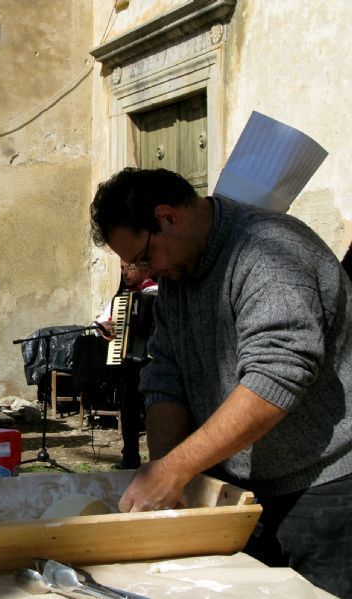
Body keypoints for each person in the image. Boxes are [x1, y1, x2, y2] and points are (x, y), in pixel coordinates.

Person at [89, 167, 352, 597]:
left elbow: (277, 376)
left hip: (323, 490)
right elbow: (166, 374)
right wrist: (164, 469)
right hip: (235, 493)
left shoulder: (270, 251)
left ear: (168, 218)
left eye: (141, 257)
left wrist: (173, 469)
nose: (140, 270)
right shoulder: (178, 272)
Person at [94, 260, 157, 469]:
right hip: (128, 364)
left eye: (129, 268)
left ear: (147, 269)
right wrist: (105, 329)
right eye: (122, 269)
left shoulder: (158, 293)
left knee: (154, 411)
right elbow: (100, 325)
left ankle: (159, 461)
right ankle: (130, 457)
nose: (125, 273)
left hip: (153, 363)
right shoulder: (121, 297)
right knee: (128, 409)